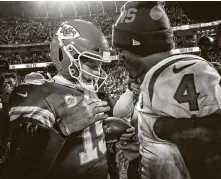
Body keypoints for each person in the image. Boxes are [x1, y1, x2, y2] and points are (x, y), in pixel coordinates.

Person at [112, 1, 221, 179]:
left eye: (120, 50)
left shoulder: (168, 78)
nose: (120, 57)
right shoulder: (166, 74)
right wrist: (146, 146)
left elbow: (208, 151)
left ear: (134, 45)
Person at [0, 20, 111, 179]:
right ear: (65, 55)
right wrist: (63, 128)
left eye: (100, 66)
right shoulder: (39, 95)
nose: (98, 73)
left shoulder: (89, 89)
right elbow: (19, 169)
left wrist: (111, 133)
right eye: (93, 65)